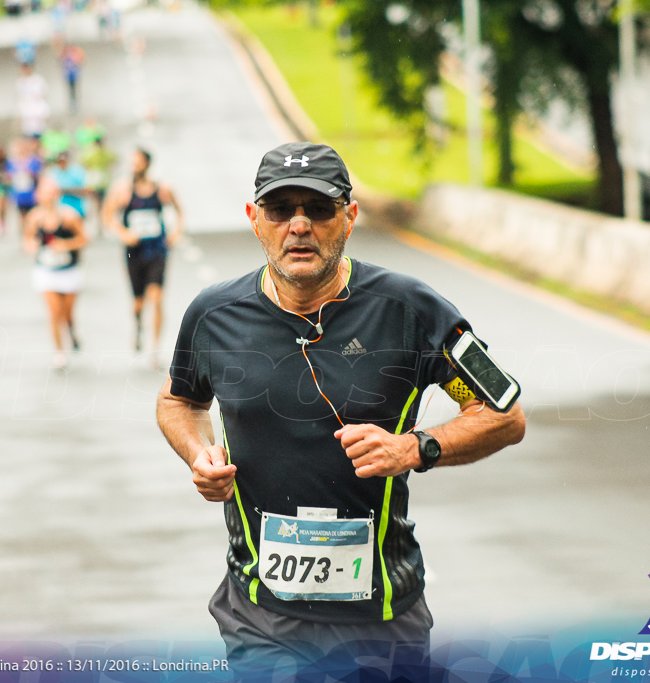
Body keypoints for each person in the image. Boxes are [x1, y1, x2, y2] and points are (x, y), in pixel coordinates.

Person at [155, 142, 526, 677]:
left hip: (381, 614)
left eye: (319, 209)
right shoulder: (213, 315)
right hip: (261, 613)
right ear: (255, 220)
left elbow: (503, 415)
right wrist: (198, 454)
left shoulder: (412, 310)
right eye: (281, 210)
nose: (298, 226)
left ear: (349, 217)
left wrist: (413, 448)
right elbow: (179, 399)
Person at [102, 148, 183, 360]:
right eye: (132, 163)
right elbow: (107, 216)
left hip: (157, 249)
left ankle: (155, 348)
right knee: (138, 301)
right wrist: (123, 233)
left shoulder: (162, 189)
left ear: (148, 164)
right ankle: (138, 324)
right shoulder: (123, 190)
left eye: (138, 162)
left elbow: (179, 210)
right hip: (134, 252)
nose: (134, 166)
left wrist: (176, 234)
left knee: (156, 298)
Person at [23, 178, 89, 369]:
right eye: (44, 193)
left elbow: (84, 238)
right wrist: (31, 246)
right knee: (53, 313)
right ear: (38, 195)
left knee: (66, 314)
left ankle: (71, 329)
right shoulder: (34, 218)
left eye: (51, 193)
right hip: (46, 271)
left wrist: (65, 245)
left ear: (57, 195)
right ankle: (60, 352)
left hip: (69, 270)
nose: (48, 197)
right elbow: (27, 240)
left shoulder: (69, 216)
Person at [79, 125, 117, 218]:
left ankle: (98, 218)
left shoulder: (90, 151)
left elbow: (83, 162)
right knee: (101, 201)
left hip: (95, 180)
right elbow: (114, 160)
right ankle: (100, 218)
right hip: (103, 180)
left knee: (95, 202)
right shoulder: (107, 151)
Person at [8, 137, 44, 225]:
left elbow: (39, 176)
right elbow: (9, 179)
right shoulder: (11, 162)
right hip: (19, 194)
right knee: (22, 217)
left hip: (31, 194)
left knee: (34, 216)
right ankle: (25, 235)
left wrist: (31, 174)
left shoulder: (33, 160)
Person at [47, 150, 89, 218]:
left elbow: (85, 190)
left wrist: (67, 190)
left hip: (77, 209)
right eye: (60, 161)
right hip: (60, 211)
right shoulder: (54, 172)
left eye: (63, 161)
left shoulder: (77, 171)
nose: (62, 163)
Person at [16, 63, 50, 139]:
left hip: (37, 108)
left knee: (40, 130)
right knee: (28, 131)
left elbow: (44, 92)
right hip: (27, 110)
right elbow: (21, 97)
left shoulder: (38, 79)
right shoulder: (20, 82)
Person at [60, 44, 85, 113]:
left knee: (74, 91)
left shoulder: (74, 56)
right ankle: (71, 106)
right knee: (70, 92)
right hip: (68, 77)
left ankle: (75, 106)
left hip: (74, 76)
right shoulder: (65, 56)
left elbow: (80, 62)